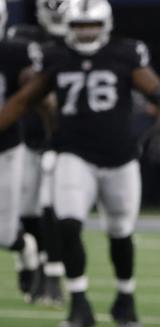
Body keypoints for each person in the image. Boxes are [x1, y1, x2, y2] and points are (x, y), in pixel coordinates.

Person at [0, 0, 160, 327]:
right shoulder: (56, 56)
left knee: (120, 232)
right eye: (79, 27)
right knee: (68, 222)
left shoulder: (125, 54)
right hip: (74, 153)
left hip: (120, 156)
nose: (85, 33)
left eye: (91, 26)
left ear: (105, 25)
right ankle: (78, 303)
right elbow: (24, 98)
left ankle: (125, 297)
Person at [8, 0, 69, 305]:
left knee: (51, 207)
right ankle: (32, 261)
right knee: (26, 209)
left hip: (61, 138)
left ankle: (53, 273)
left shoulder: (82, 41)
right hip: (23, 136)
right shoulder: (22, 41)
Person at [0, 0, 41, 298]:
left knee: (3, 235)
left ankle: (25, 247)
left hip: (5, 148)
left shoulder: (14, 54)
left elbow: (30, 97)